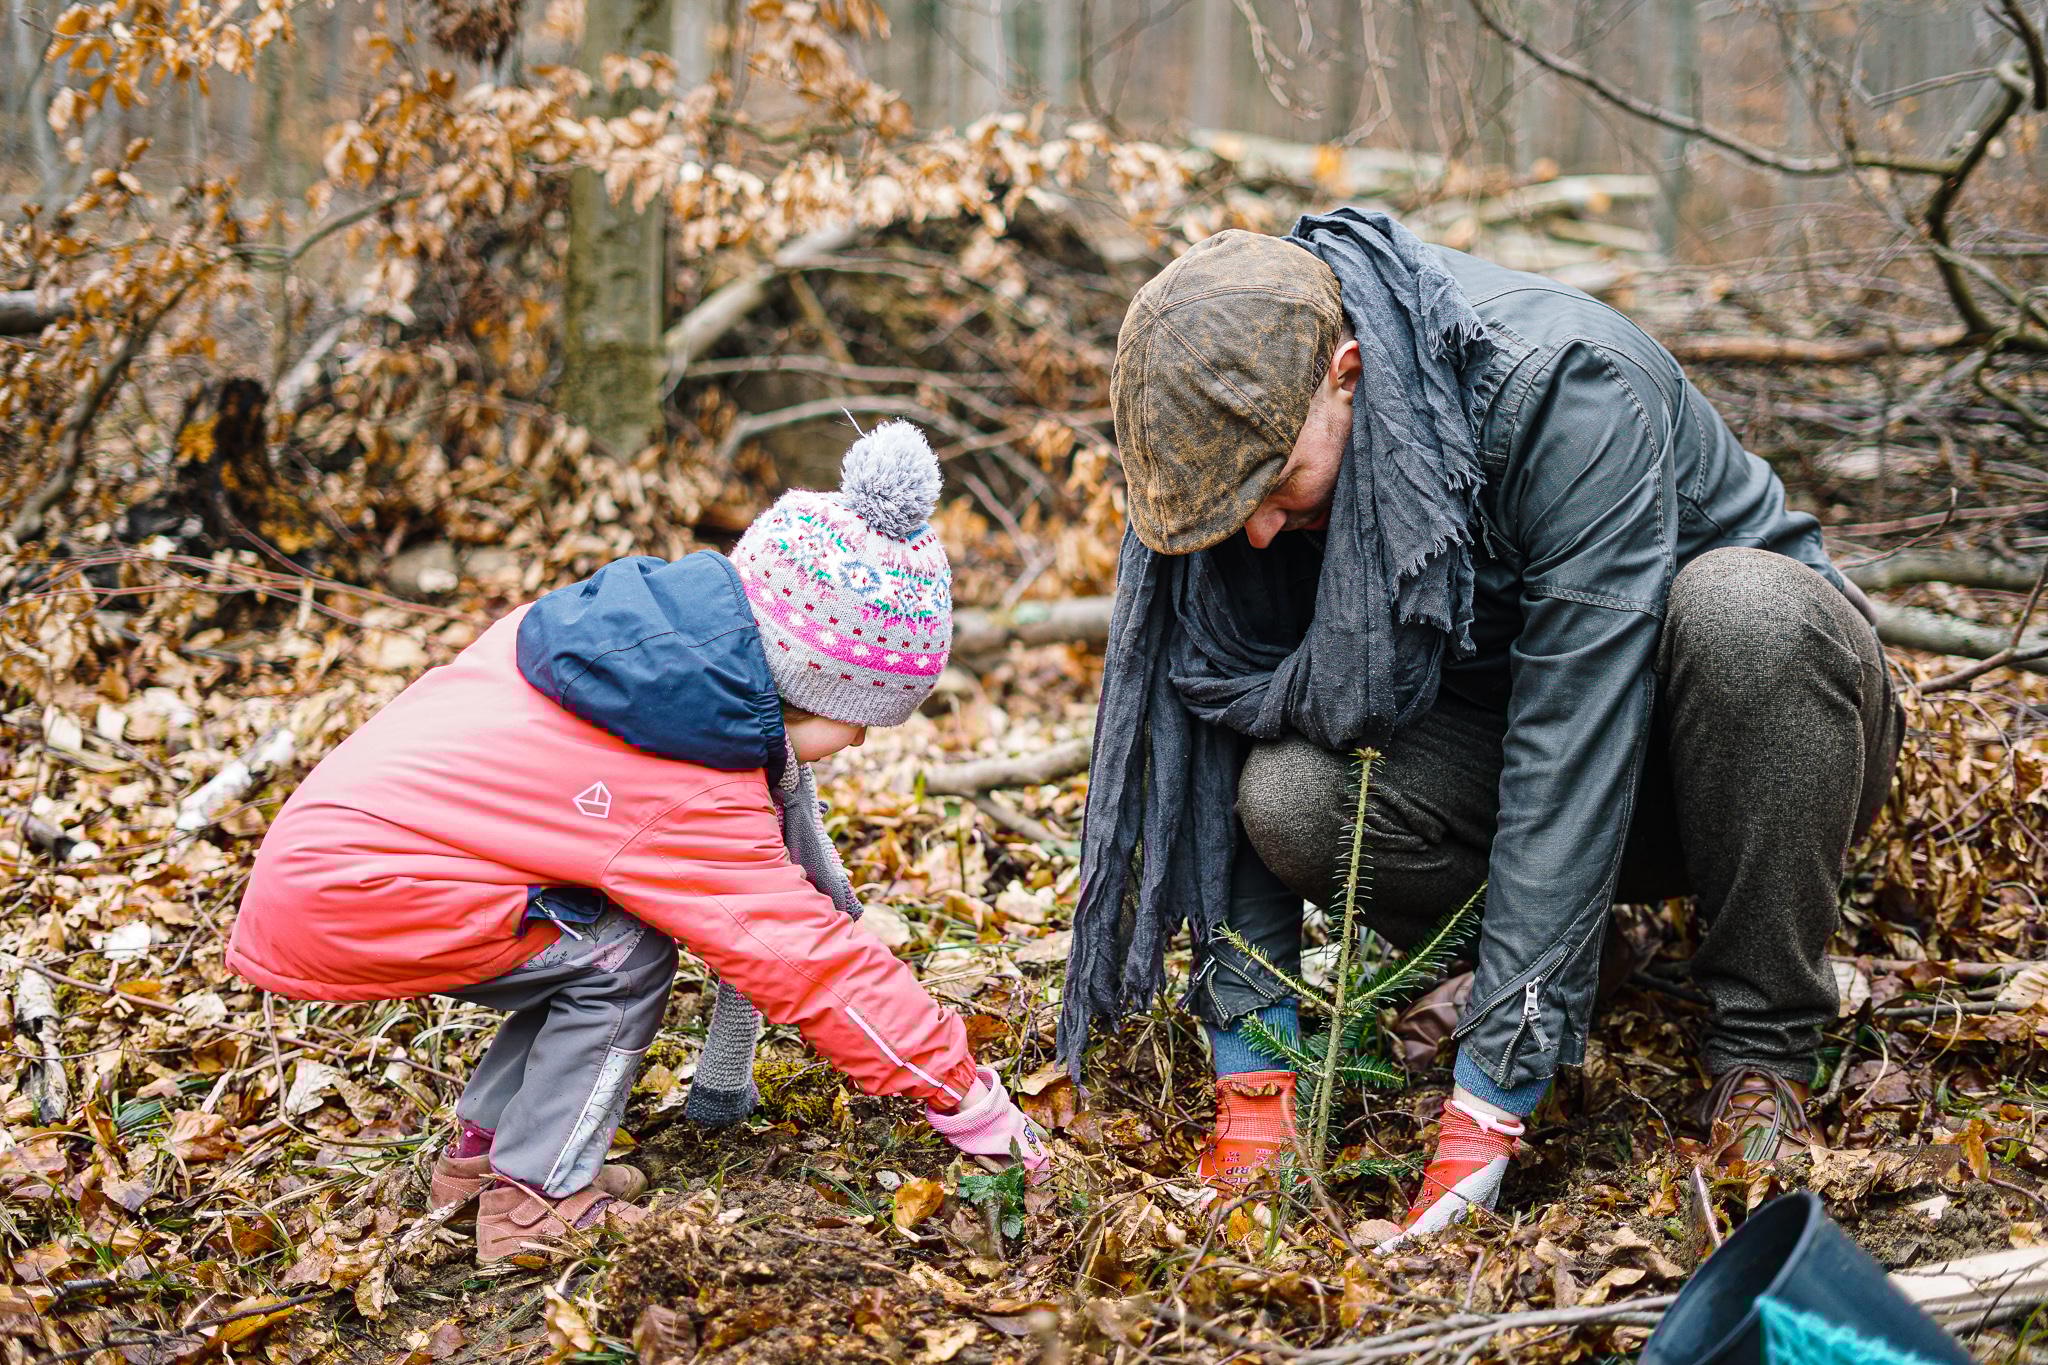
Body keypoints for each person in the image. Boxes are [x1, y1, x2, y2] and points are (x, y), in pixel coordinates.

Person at [1058, 210, 1899, 1243]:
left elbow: (1572, 739)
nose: (1262, 530)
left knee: (1744, 612)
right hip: (1505, 747)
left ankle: (1760, 1048)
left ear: (1346, 375)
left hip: (1759, 748)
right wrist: (1253, 1082)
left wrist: (1485, 1109)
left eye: (1275, 488)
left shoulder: (1561, 392)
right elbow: (1221, 715)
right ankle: (1575, 951)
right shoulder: (1244, 421)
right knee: (1290, 796)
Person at [229, 422, 1050, 1263]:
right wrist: (965, 1094)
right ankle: (534, 1202)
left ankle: (486, 1156)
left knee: (591, 932)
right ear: (807, 678)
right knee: (621, 958)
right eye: (862, 718)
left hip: (325, 865)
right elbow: (807, 961)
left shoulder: (615, 651)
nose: (864, 741)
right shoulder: (684, 779)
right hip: (356, 893)